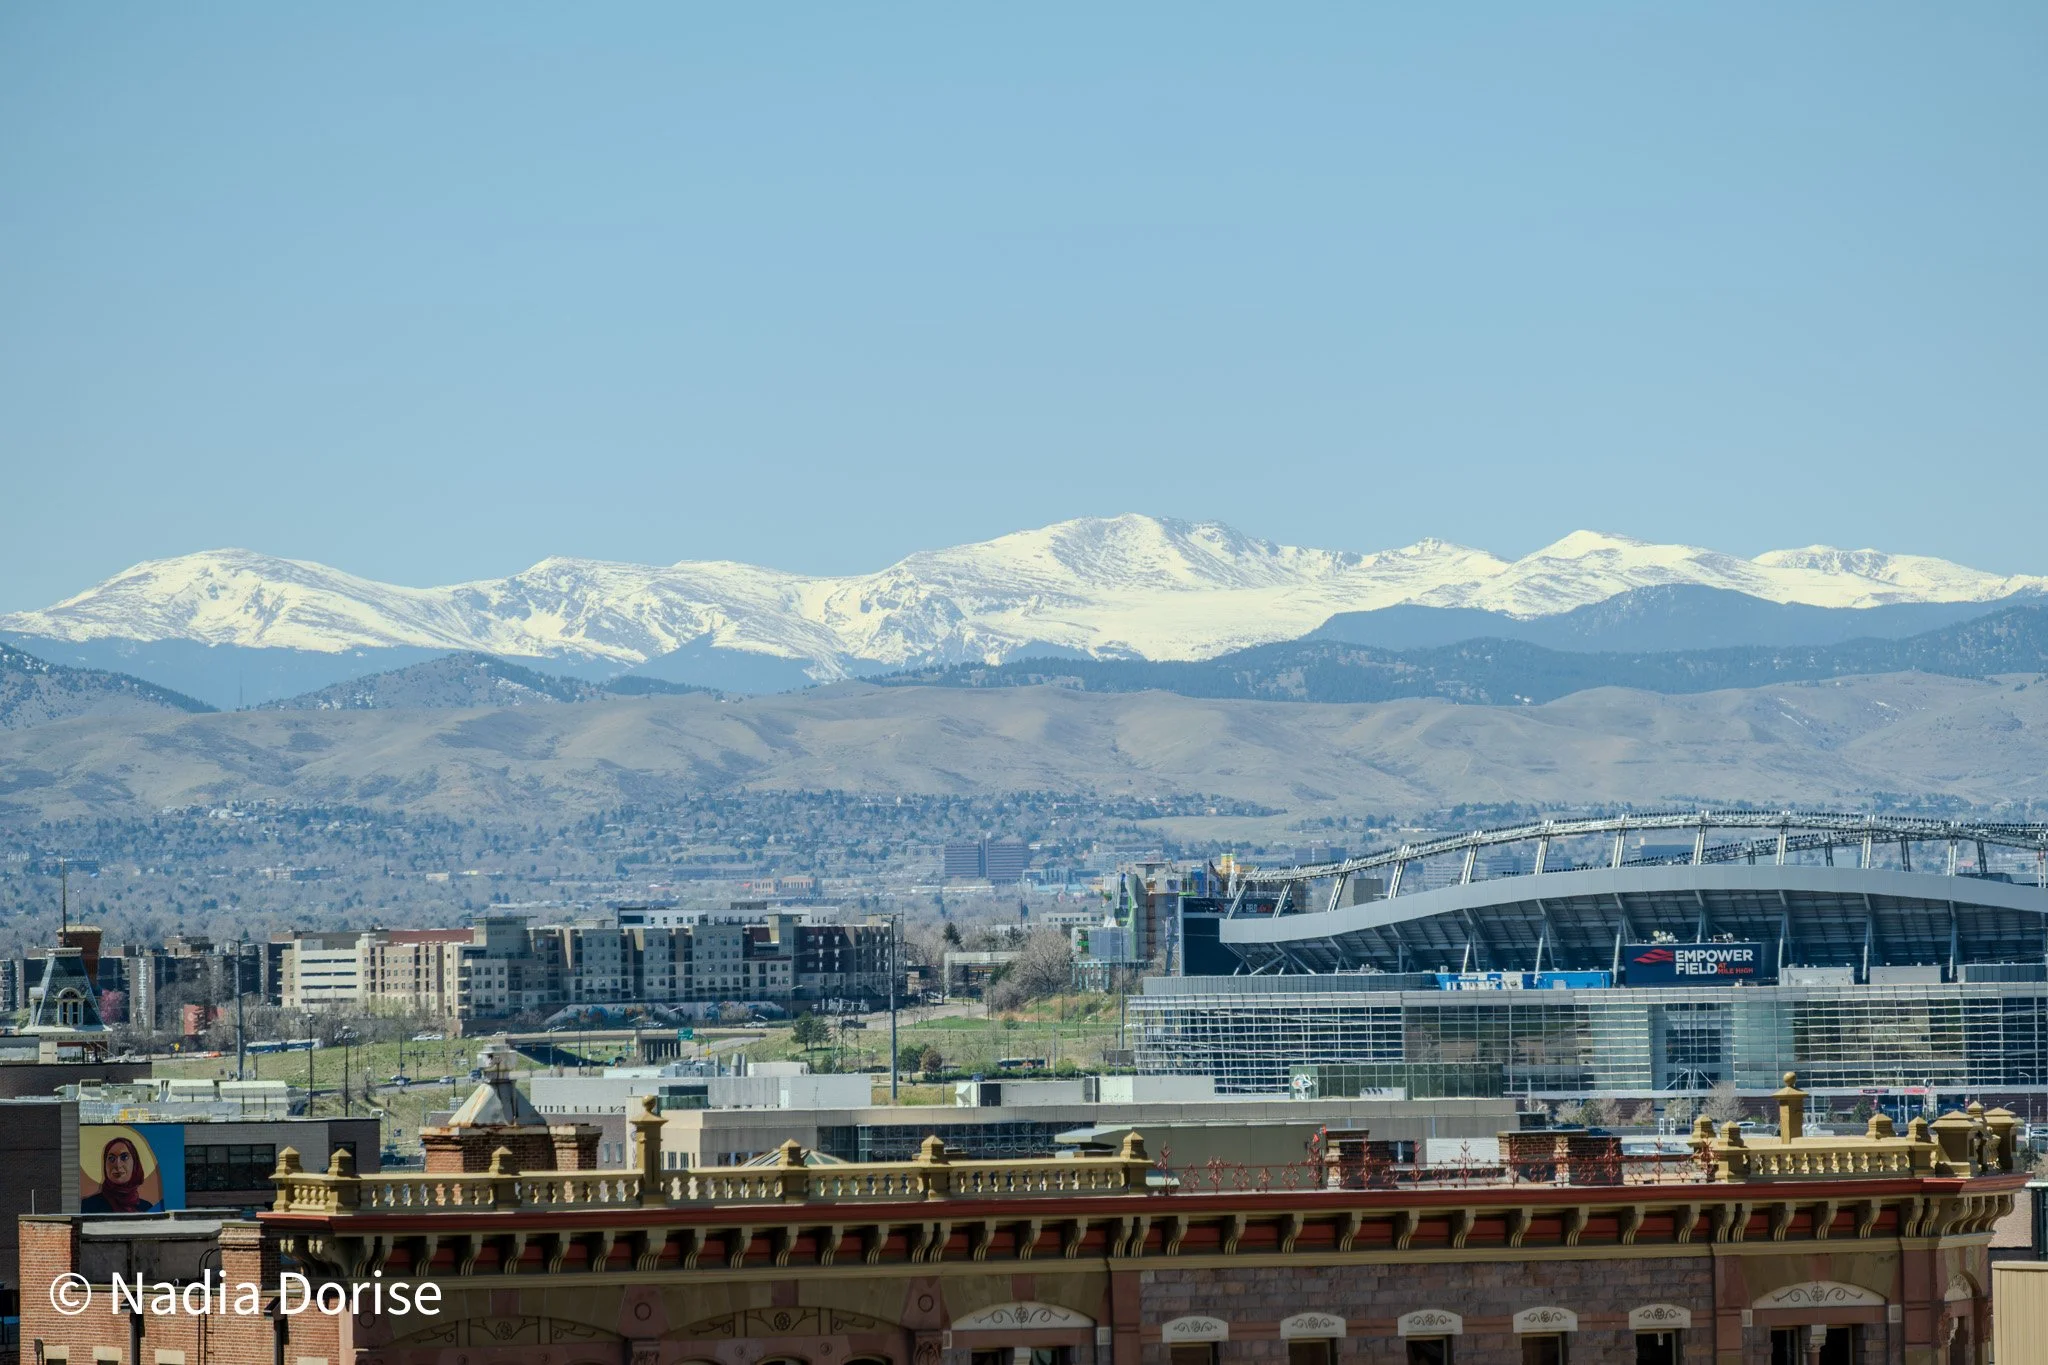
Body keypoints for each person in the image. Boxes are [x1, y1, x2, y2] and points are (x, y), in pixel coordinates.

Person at [82, 1136, 162, 1214]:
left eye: (124, 1157)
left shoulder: (146, 1208)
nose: (117, 1165)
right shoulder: (88, 1206)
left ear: (135, 1163)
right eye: (111, 1158)